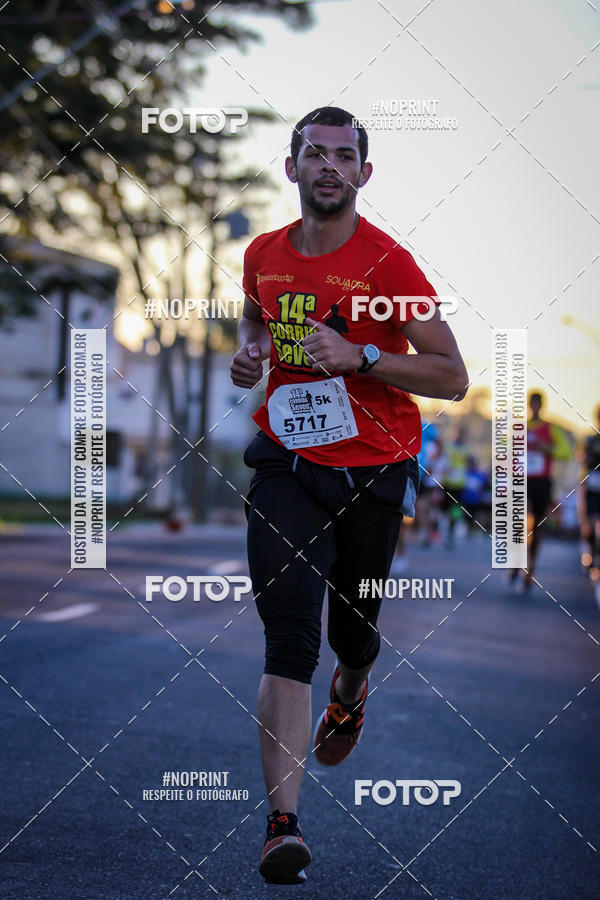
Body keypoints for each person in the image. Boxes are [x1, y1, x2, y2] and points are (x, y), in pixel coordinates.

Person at [229, 106, 468, 885]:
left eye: (344, 156)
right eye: (314, 153)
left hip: (373, 469)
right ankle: (283, 825)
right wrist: (250, 353)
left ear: (364, 175)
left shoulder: (389, 265)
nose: (329, 166)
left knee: (353, 633)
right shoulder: (263, 253)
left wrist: (363, 355)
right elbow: (257, 313)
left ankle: (353, 686)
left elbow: (452, 376)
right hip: (286, 462)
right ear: (292, 167)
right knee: (288, 636)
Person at [511, 391, 571, 591]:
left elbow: (565, 452)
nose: (535, 407)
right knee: (519, 519)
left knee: (537, 525)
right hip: (522, 479)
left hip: (542, 482)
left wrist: (546, 448)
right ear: (529, 405)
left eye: (538, 403)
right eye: (532, 403)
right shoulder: (520, 426)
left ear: (541, 406)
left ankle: (530, 568)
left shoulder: (550, 428)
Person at [577, 405, 600, 587]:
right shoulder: (590, 439)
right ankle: (590, 553)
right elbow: (581, 458)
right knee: (591, 524)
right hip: (592, 487)